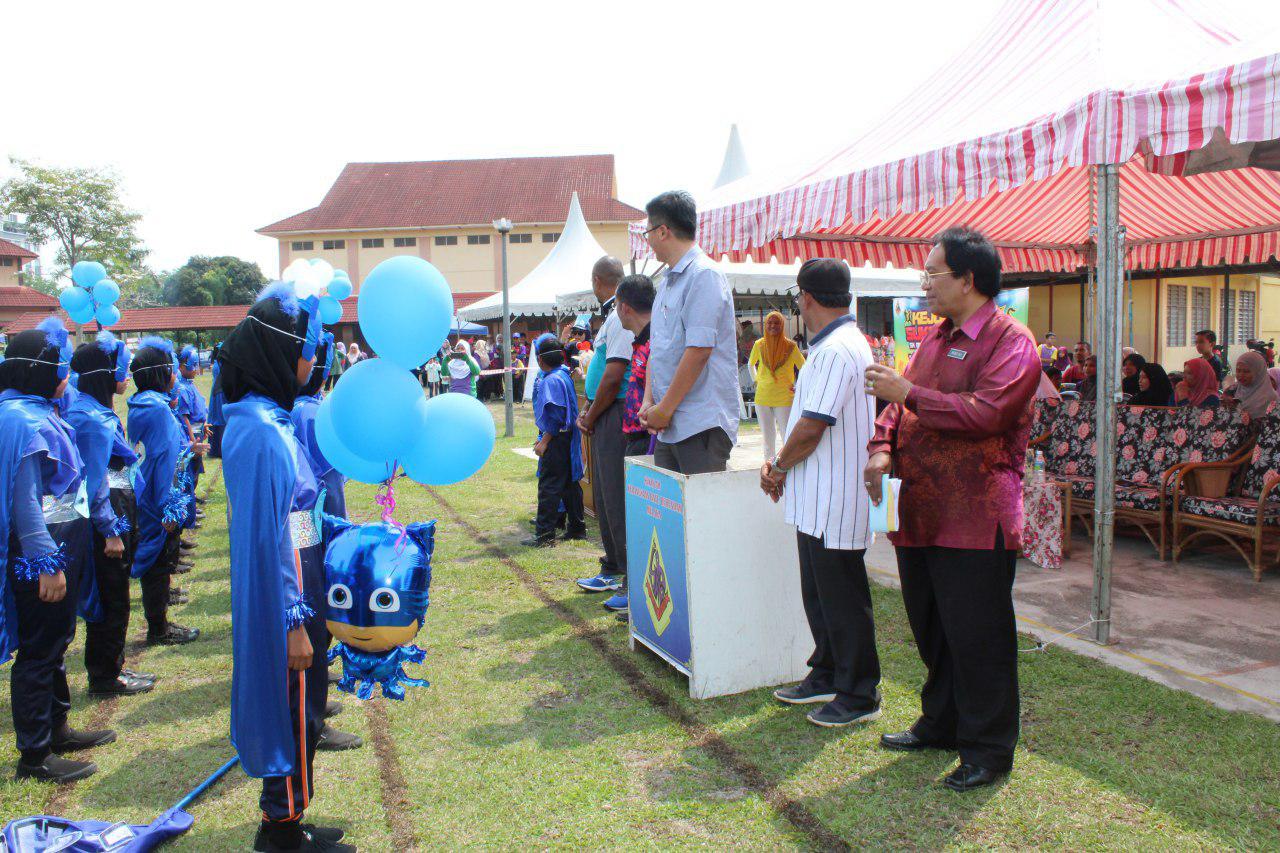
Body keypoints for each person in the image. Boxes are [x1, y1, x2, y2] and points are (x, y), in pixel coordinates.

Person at [864, 227, 1040, 792]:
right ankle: (940, 723)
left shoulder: (1013, 343)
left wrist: (906, 395)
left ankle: (988, 748)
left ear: (968, 279)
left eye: (934, 273)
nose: (925, 283)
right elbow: (897, 408)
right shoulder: (934, 340)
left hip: (976, 515)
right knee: (932, 626)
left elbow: (984, 413)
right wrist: (880, 447)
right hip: (921, 510)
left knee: (979, 635)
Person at [219, 284, 353, 852]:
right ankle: (281, 829)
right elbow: (274, 536)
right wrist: (295, 619)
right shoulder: (264, 432)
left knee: (302, 705)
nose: (312, 359)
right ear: (278, 351)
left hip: (301, 581)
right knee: (293, 705)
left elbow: (296, 520)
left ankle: (289, 813)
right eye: (306, 345)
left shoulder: (266, 418)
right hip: (288, 597)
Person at [759, 259, 881, 728]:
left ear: (805, 298)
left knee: (843, 598)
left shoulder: (836, 349)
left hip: (836, 496)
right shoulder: (837, 344)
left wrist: (778, 466)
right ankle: (828, 671)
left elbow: (812, 426)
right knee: (820, 594)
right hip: (817, 495)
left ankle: (859, 692)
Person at [1, 318, 120, 784]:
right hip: (42, 551)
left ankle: (58, 728)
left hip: (61, 541)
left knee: (55, 642)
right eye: (59, 366)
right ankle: (34, 754)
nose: (66, 377)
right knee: (38, 650)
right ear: (37, 370)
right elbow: (23, 500)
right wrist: (46, 563)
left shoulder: (33, 408)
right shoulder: (21, 420)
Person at [66, 333, 154, 698]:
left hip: (114, 508)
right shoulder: (90, 419)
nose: (127, 375)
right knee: (112, 596)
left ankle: (111, 663)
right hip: (106, 516)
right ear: (104, 373)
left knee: (114, 593)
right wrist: (110, 530)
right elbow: (93, 480)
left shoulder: (93, 410)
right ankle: (105, 676)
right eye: (120, 368)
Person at [638, 191, 740, 474]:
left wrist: (664, 409)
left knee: (702, 515)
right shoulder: (667, 283)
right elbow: (658, 349)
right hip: (668, 424)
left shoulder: (703, 275)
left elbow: (698, 351)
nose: (647, 242)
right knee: (672, 515)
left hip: (699, 423)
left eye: (648, 233)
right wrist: (650, 403)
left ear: (662, 231)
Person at [128, 340, 200, 647]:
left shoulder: (142, 403)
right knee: (157, 564)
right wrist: (170, 509)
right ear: (160, 373)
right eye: (170, 369)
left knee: (158, 562)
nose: (174, 375)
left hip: (146, 496)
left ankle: (159, 622)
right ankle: (159, 628)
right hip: (158, 500)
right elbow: (165, 462)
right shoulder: (157, 410)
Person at [575, 257, 633, 603]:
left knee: (615, 495)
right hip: (603, 412)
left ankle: (625, 572)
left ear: (598, 281)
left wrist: (594, 412)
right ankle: (612, 565)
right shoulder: (612, 317)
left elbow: (614, 376)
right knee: (603, 497)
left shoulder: (621, 316)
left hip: (615, 413)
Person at [523, 335, 586, 548]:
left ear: (540, 360)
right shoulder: (563, 374)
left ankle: (544, 535)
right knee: (569, 484)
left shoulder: (550, 380)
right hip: (567, 437)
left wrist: (544, 441)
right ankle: (577, 528)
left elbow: (556, 416)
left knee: (549, 486)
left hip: (557, 437)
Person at [749, 311, 807, 459]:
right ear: (765, 325)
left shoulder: (790, 346)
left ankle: (786, 468)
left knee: (787, 435)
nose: (773, 326)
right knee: (768, 439)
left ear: (782, 325)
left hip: (784, 398)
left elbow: (804, 368)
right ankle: (769, 468)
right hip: (763, 397)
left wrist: (799, 386)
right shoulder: (759, 344)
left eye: (776, 323)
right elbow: (751, 365)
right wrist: (756, 380)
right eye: (770, 323)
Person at [616, 275, 656, 458]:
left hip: (650, 440)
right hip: (636, 438)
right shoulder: (641, 341)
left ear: (624, 308)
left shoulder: (656, 340)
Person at [1224, 350, 1278, 418]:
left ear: (1258, 373)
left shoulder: (1270, 398)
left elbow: (1273, 426)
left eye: (1246, 371)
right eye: (1238, 370)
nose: (1241, 375)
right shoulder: (1232, 390)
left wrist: (1246, 419)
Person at [208, 343, 227, 458]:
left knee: (217, 417)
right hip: (219, 391)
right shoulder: (220, 364)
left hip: (218, 391)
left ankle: (216, 449)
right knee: (220, 418)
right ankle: (218, 450)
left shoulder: (217, 363)